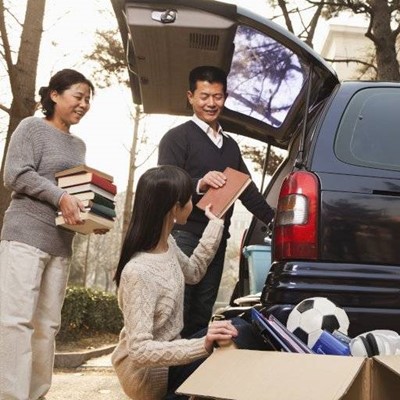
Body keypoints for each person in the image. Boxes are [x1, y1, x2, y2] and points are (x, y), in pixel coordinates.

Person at [112, 165, 254, 400]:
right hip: (149, 377)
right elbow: (139, 351)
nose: (194, 203)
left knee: (239, 327)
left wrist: (215, 223)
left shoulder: (167, 244)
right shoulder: (138, 272)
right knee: (238, 334)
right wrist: (203, 344)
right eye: (189, 198)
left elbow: (194, 272)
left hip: (171, 356)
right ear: (174, 208)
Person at [0, 68, 97, 400]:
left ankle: (37, 394)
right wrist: (60, 197)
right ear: (54, 95)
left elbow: (74, 194)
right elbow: (15, 174)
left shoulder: (78, 145)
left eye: (88, 99)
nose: (83, 104)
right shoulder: (31, 128)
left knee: (46, 329)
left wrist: (92, 219)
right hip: (25, 236)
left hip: (60, 244)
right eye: (78, 96)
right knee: (16, 321)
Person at [158, 65, 275, 338]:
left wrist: (274, 221)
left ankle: (195, 375)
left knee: (202, 313)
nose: (211, 103)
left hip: (217, 239)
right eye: (204, 96)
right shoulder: (176, 138)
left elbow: (248, 192)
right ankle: (172, 377)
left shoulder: (231, 146)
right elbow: (165, 185)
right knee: (180, 310)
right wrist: (199, 182)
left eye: (218, 96)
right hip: (183, 236)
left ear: (225, 97)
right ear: (190, 96)